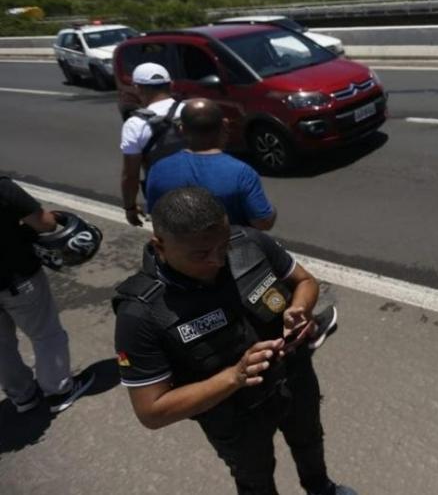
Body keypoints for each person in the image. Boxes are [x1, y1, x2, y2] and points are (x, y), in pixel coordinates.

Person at [112, 187, 355, 495]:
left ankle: (321, 488)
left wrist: (300, 309)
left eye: (223, 245)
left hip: (295, 378)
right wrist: (234, 376)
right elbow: (152, 411)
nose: (217, 260)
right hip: (235, 416)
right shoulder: (141, 314)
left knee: (309, 441)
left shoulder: (249, 243)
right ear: (159, 246)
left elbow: (305, 281)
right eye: (200, 254)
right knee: (255, 479)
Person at [0, 177, 95, 413]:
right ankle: (58, 391)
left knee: (2, 345)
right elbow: (45, 224)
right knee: (45, 335)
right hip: (17, 278)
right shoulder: (3, 188)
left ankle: (22, 396)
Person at [146, 98, 277, 231]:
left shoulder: (158, 170)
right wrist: (271, 209)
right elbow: (263, 222)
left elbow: (157, 218)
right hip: (229, 243)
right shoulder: (242, 172)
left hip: (180, 243)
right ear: (224, 125)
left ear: (182, 130)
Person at [120, 62, 185, 227]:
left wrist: (130, 207)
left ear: (137, 88)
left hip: (163, 195)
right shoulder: (191, 110)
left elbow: (130, 175)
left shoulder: (135, 124)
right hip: (200, 187)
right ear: (171, 84)